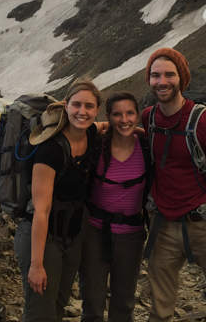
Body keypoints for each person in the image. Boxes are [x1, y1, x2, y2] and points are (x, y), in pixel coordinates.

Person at [141, 48, 206, 322]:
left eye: (169, 74)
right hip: (162, 226)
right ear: (149, 80)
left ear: (182, 79)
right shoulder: (148, 118)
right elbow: (119, 130)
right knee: (159, 311)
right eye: (155, 75)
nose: (162, 81)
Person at [14, 78, 102, 322]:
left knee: (58, 308)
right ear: (66, 106)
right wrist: (36, 264)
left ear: (97, 110)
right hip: (42, 239)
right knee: (39, 314)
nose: (82, 112)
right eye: (76, 105)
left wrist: (136, 130)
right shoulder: (50, 150)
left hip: (70, 239)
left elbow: (107, 126)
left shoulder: (91, 133)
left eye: (89, 106)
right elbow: (41, 211)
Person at [78, 91, 151, 322]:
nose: (124, 119)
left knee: (124, 303)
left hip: (132, 236)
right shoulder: (96, 146)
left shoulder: (147, 148)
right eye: (117, 114)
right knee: (92, 303)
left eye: (130, 113)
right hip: (94, 233)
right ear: (108, 117)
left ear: (138, 116)